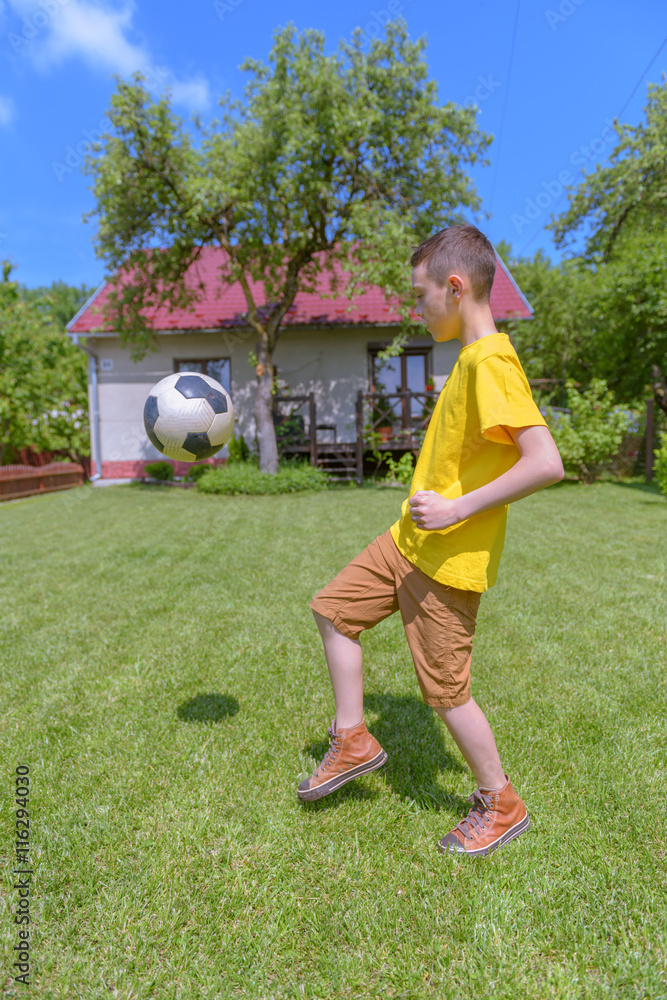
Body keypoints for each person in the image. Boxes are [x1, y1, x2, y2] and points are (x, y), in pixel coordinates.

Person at [297, 224, 564, 857]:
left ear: (456, 285)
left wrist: (456, 509)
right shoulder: (470, 359)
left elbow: (545, 461)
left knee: (445, 693)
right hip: (405, 542)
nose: (417, 311)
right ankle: (354, 738)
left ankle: (501, 802)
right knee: (333, 611)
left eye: (421, 297)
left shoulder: (493, 360)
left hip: (446, 561)